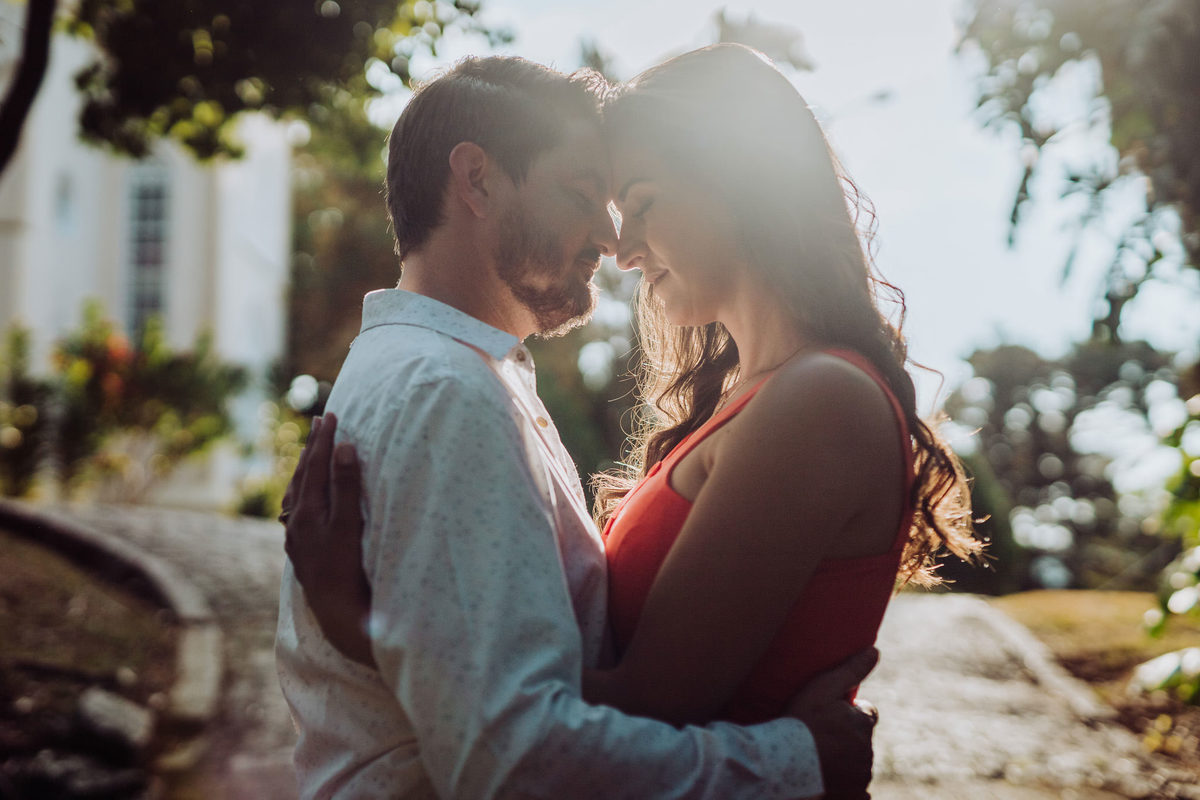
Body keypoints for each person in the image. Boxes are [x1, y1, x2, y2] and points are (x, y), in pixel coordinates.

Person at [275, 53, 881, 800]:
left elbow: (510, 708)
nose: (610, 237)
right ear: (478, 181)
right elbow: (516, 751)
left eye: (631, 202)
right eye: (583, 193)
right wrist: (797, 763)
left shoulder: (454, 376)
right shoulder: (447, 390)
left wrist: (368, 636)